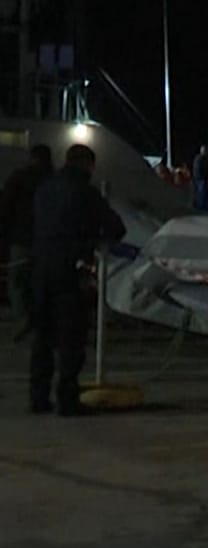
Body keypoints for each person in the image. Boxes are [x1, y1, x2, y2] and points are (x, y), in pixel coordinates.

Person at [29, 144, 126, 416]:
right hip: (71, 269)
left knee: (43, 337)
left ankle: (38, 397)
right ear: (88, 165)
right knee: (71, 338)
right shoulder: (86, 192)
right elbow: (116, 228)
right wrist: (93, 241)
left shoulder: (44, 189)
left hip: (41, 267)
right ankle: (67, 399)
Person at [1, 145, 54, 337]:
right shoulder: (53, 180)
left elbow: (5, 208)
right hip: (47, 241)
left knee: (17, 282)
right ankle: (42, 322)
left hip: (21, 238)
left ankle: (22, 318)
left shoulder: (19, 178)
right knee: (41, 283)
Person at [191, 144, 208, 211]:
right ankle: (201, 206)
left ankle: (203, 206)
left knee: (204, 193)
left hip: (203, 178)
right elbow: (198, 170)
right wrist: (205, 178)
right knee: (201, 193)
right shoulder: (199, 159)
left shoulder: (206, 158)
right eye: (205, 150)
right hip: (200, 179)